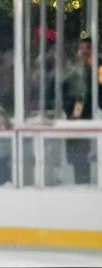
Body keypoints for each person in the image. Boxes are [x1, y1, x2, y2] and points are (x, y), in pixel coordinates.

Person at [62, 37, 102, 184]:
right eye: (82, 48)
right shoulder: (71, 70)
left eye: (88, 48)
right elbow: (70, 95)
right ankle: (81, 183)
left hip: (94, 118)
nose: (84, 51)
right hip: (77, 120)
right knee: (79, 160)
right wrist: (74, 113)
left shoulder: (99, 68)